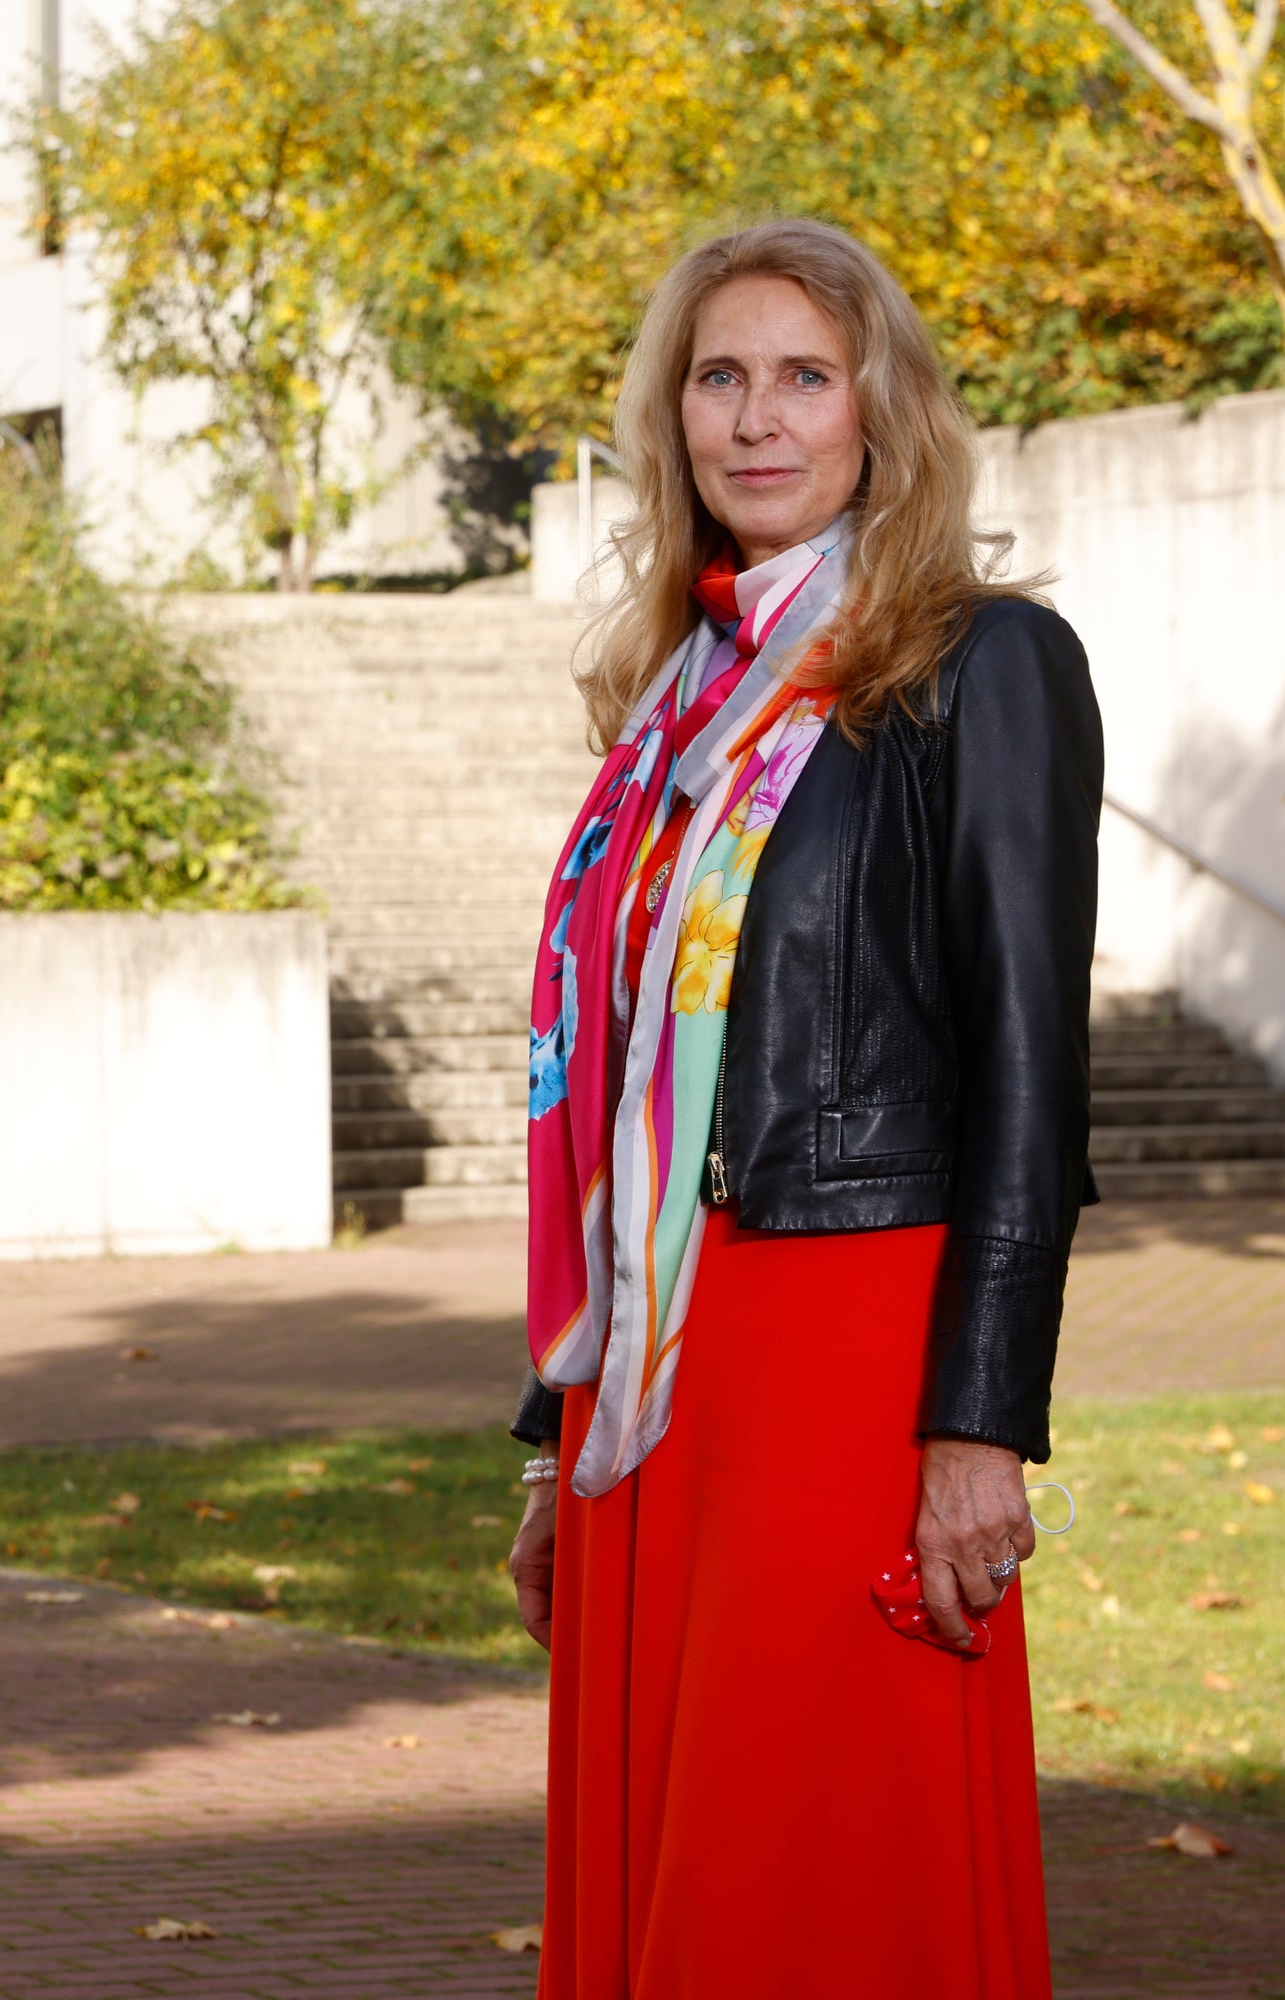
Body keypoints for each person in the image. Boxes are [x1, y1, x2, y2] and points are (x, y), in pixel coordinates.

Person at [503, 219, 1096, 1995]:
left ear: (879, 411)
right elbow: (611, 1093)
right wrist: (559, 1424)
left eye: (804, 376)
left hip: (850, 1335)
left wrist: (979, 1424)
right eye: (719, 375)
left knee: (818, 1841)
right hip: (663, 1377)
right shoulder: (673, 707)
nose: (758, 419)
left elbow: (1027, 1071)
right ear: (672, 415)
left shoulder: (978, 665)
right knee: (684, 1832)